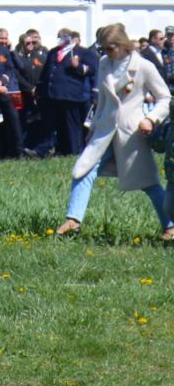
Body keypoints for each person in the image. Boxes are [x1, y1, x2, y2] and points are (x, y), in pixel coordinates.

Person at [57, 24, 172, 241]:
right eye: (102, 49)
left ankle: (170, 225)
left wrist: (150, 118)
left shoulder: (144, 66)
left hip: (132, 133)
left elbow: (165, 98)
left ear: (121, 45)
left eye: (109, 48)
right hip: (104, 131)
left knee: (148, 182)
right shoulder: (103, 63)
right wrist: (92, 127)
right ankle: (74, 219)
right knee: (82, 170)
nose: (105, 53)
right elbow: (102, 99)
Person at [41, 30, 95, 159]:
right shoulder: (54, 52)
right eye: (60, 37)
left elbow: (92, 70)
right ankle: (62, 150)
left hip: (71, 95)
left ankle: (74, 151)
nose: (62, 40)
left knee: (72, 125)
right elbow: (46, 71)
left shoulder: (83, 52)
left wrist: (78, 66)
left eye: (65, 37)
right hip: (53, 95)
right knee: (59, 125)